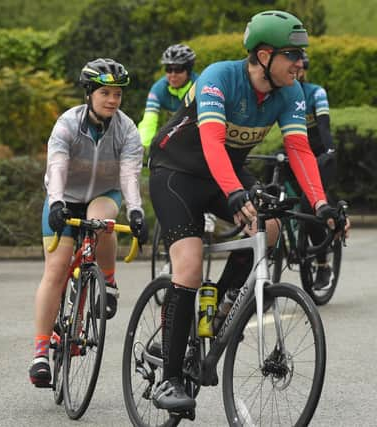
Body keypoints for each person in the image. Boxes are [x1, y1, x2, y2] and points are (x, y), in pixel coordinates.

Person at [147, 11, 347, 411]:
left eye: (301, 55)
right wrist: (237, 194)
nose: (300, 63)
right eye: (293, 54)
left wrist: (321, 204)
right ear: (264, 55)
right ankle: (168, 380)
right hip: (177, 172)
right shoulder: (219, 78)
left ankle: (221, 306)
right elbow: (213, 144)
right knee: (186, 266)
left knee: (269, 227)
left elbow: (300, 151)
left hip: (224, 174)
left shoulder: (290, 93)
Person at [28, 58, 148, 387]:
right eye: (105, 92)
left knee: (100, 219)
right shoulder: (67, 124)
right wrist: (55, 203)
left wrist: (136, 211)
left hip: (104, 193)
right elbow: (57, 167)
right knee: (55, 269)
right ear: (90, 93)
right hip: (65, 195)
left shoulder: (127, 129)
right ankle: (40, 353)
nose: (112, 100)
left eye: (118, 94)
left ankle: (107, 282)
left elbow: (129, 176)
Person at [297, 53, 338, 288]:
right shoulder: (282, 94)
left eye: (301, 67)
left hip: (320, 153)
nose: (296, 71)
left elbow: (323, 126)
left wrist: (329, 151)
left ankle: (323, 264)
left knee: (307, 202)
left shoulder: (316, 93)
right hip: (296, 151)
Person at [138, 44, 199, 151]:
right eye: (168, 69)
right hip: (175, 131)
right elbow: (149, 120)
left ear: (189, 70)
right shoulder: (159, 88)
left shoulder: (199, 86)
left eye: (178, 69)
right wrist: (142, 146)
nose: (173, 74)